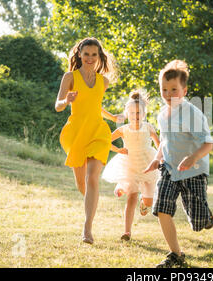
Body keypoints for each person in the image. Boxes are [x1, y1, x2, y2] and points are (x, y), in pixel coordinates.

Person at [144, 60, 213, 268]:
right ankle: (176, 254)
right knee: (162, 208)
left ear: (184, 91)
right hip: (169, 170)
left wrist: (193, 157)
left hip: (194, 171)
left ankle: (205, 215)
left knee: (199, 223)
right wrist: (157, 159)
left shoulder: (192, 113)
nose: (168, 94)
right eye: (164, 89)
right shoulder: (162, 115)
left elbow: (208, 144)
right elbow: (164, 141)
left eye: (173, 89)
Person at [55, 37, 124, 244]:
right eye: (86, 54)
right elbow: (58, 105)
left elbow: (95, 105)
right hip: (76, 133)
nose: (90, 58)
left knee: (92, 177)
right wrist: (66, 100)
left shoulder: (103, 81)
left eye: (94, 55)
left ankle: (87, 229)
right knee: (81, 183)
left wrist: (111, 117)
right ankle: (91, 203)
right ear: (79, 54)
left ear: (99, 57)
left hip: (98, 132)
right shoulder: (70, 77)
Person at [101, 89, 160, 241]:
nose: (136, 116)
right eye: (132, 113)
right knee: (131, 197)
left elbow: (160, 145)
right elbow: (105, 141)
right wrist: (118, 149)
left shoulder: (149, 127)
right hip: (131, 166)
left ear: (144, 113)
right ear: (127, 114)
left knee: (148, 202)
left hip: (148, 164)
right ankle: (127, 232)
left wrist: (162, 159)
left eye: (139, 113)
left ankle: (144, 202)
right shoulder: (123, 130)